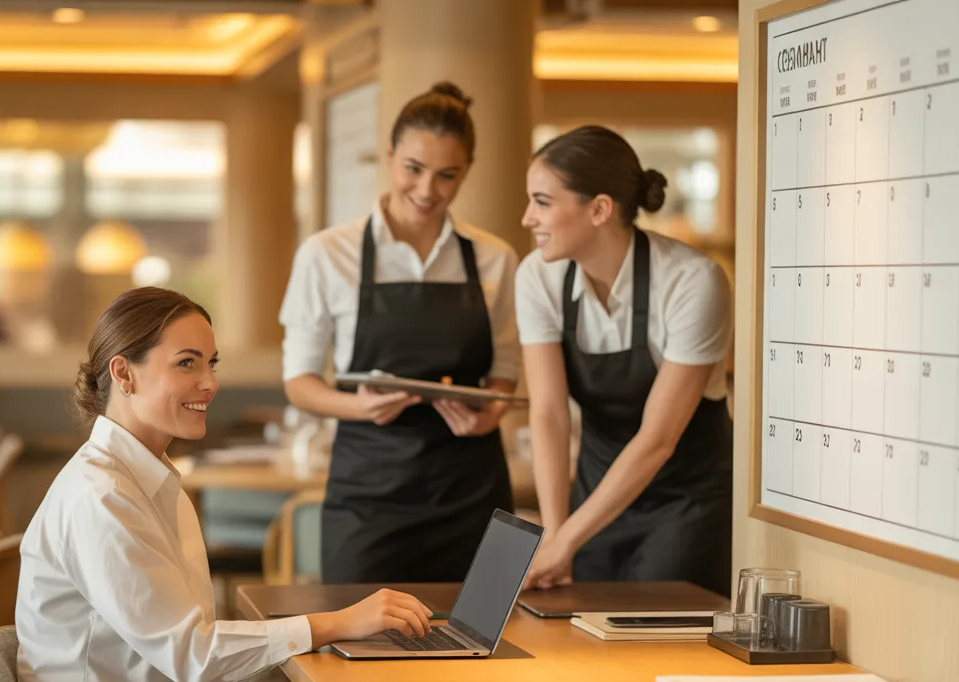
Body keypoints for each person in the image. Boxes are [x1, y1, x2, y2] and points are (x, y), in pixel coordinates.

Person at [11, 287, 435, 682]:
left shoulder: (150, 480)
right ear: (123, 374)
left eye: (211, 363)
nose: (209, 383)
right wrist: (340, 623)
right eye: (186, 363)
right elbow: (187, 652)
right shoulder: (100, 497)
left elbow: (161, 661)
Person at [279, 82, 521, 584]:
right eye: (413, 169)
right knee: (356, 651)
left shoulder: (496, 258)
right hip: (368, 498)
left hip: (475, 493)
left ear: (466, 172)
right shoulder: (327, 254)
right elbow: (299, 381)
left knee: (490, 653)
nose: (427, 190)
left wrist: (488, 415)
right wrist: (357, 406)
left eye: (447, 175)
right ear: (389, 157)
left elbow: (504, 373)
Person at [516, 125, 733, 596]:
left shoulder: (693, 283)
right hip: (594, 500)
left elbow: (658, 438)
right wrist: (557, 535)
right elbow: (549, 413)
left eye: (542, 202)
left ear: (598, 209)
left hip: (685, 504)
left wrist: (567, 538)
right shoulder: (537, 277)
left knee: (660, 646)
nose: (527, 218)